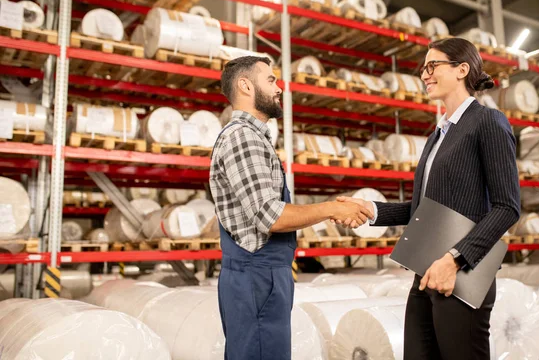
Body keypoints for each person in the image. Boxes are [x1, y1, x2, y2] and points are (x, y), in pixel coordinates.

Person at [338, 38, 520, 359]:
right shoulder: (437, 135)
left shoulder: (488, 122)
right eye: (423, 68)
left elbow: (507, 208)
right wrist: (372, 210)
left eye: (432, 65)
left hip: (461, 274)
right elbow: (424, 210)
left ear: (462, 69)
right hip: (426, 271)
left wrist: (455, 259)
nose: (425, 74)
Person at [209, 55, 373, 360]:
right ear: (245, 86)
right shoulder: (243, 138)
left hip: (260, 276)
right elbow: (270, 216)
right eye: (270, 80)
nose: (278, 87)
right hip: (256, 277)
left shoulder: (254, 137)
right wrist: (332, 209)